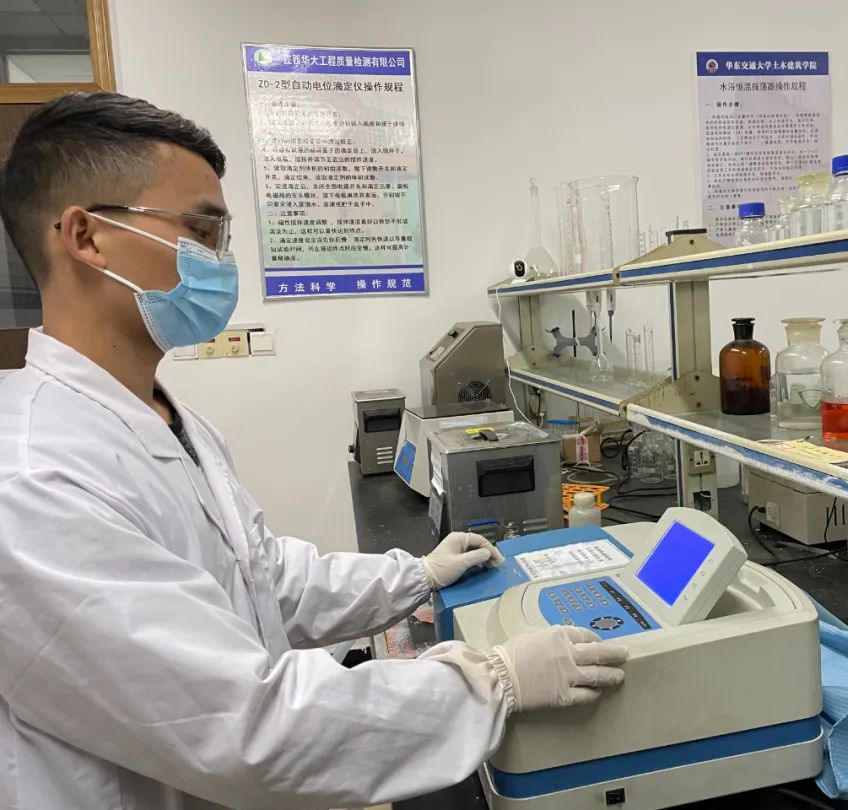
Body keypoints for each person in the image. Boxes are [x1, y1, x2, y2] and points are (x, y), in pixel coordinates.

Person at [0, 92, 628, 810]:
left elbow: (262, 579)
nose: (219, 262)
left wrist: (414, 575)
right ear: (86, 236)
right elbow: (244, 726)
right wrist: (493, 683)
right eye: (199, 231)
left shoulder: (167, 419)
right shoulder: (34, 478)